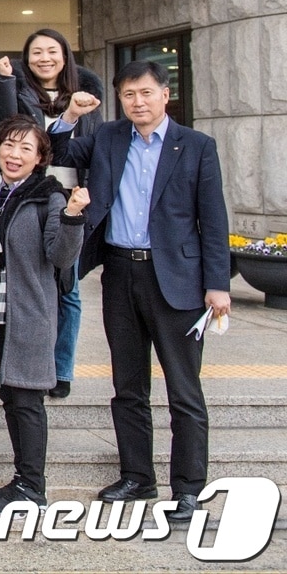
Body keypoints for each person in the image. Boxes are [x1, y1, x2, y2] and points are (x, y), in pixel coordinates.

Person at [50, 59, 230, 524]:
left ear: (164, 95)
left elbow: (213, 219)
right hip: (120, 273)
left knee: (184, 391)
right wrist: (70, 115)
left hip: (179, 283)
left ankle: (189, 489)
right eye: (129, 95)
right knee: (127, 385)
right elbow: (59, 152)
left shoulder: (195, 146)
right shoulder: (108, 137)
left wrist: (217, 285)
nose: (138, 102)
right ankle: (137, 476)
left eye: (146, 93)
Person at [0, 116, 88, 517]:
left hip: (27, 314)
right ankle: (24, 479)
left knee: (26, 400)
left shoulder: (49, 197)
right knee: (9, 396)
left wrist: (73, 217)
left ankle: (32, 486)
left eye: (26, 149)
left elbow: (61, 258)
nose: (14, 155)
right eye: (9, 145)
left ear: (39, 158)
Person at [0, 28, 103, 399]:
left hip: (71, 199)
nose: (44, 58)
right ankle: (32, 363)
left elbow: (91, 152)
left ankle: (63, 367)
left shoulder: (87, 97)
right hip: (32, 197)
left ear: (65, 56)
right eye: (35, 52)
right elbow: (14, 132)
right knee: (34, 285)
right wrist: (5, 81)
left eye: (51, 51)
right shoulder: (22, 95)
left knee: (68, 288)